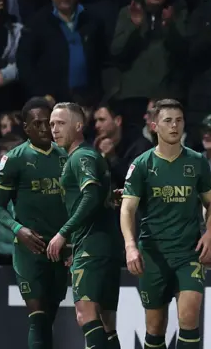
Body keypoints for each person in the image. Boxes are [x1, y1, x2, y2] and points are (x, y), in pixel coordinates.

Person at [119, 99, 211, 349]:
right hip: (153, 254)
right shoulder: (141, 164)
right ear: (154, 126)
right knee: (155, 328)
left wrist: (209, 232)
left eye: (179, 120)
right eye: (167, 121)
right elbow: (127, 208)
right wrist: (130, 246)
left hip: (188, 252)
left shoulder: (197, 161)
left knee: (189, 316)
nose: (174, 126)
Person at [46, 102, 123, 349]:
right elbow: (98, 197)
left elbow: (89, 195)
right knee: (107, 322)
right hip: (105, 245)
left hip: (92, 247)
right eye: (51, 124)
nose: (54, 129)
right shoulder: (89, 155)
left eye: (60, 123)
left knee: (86, 316)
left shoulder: (81, 157)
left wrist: (62, 234)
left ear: (79, 126)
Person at [0, 97, 70, 349]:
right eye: (36, 123)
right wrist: (18, 229)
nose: (42, 128)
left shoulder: (66, 156)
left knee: (49, 317)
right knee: (37, 319)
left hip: (59, 249)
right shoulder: (15, 159)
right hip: (29, 249)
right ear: (25, 128)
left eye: (46, 123)